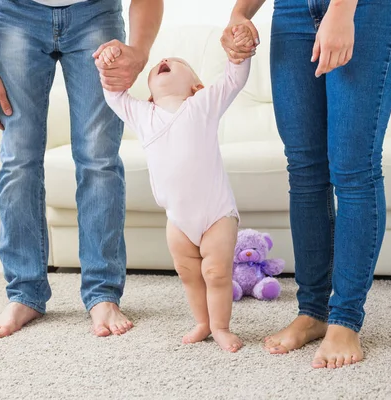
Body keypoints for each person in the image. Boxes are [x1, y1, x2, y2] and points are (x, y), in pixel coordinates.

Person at [0, 0, 164, 338]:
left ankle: (103, 294)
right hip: (15, 15)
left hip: (96, 11)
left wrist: (139, 50)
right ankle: (25, 293)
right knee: (18, 159)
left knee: (99, 158)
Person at [221, 0, 391, 367]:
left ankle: (344, 318)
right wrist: (240, 13)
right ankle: (312, 312)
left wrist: (341, 11)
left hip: (367, 10)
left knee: (354, 169)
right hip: (292, 10)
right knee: (305, 170)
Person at [98, 26, 254, 352]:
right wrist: (109, 64)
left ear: (196, 86)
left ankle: (221, 327)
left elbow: (232, 80)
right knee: (189, 275)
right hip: (178, 220)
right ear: (150, 93)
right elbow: (114, 95)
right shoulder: (143, 114)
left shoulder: (201, 104)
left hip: (217, 215)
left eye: (177, 62)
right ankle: (202, 323)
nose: (165, 59)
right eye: (158, 65)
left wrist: (238, 52)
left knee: (216, 273)